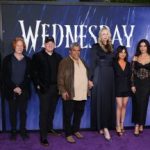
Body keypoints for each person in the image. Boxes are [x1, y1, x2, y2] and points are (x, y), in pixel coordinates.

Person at [31, 36, 62, 146]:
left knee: (51, 110)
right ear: (44, 45)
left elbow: (61, 74)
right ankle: (43, 136)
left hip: (56, 89)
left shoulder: (58, 57)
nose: (50, 45)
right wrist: (38, 86)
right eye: (48, 43)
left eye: (52, 43)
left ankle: (49, 129)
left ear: (54, 45)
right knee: (44, 112)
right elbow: (34, 73)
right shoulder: (37, 56)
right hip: (44, 89)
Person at [58, 42, 91, 143]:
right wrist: (63, 91)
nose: (77, 52)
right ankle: (68, 134)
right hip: (70, 93)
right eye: (74, 50)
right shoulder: (64, 62)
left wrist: (89, 81)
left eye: (78, 50)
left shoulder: (83, 61)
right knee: (68, 114)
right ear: (70, 51)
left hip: (82, 93)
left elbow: (87, 75)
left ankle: (75, 130)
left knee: (78, 113)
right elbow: (60, 78)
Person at [2, 37, 31, 140]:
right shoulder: (7, 59)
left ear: (24, 47)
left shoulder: (28, 60)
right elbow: (4, 77)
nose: (19, 47)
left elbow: (29, 77)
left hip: (24, 91)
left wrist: (20, 87)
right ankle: (13, 131)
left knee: (23, 112)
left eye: (21, 45)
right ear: (14, 46)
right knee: (12, 112)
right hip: (11, 91)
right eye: (18, 45)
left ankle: (23, 131)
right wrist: (14, 87)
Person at [89, 26, 115, 140]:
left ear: (109, 35)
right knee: (101, 101)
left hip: (110, 75)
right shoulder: (95, 47)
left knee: (108, 101)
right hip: (99, 74)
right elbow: (93, 63)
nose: (105, 36)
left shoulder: (112, 47)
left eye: (107, 34)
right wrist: (90, 79)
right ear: (100, 36)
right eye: (103, 34)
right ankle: (104, 127)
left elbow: (114, 63)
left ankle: (103, 125)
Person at [131, 39, 150, 136]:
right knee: (137, 104)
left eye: (144, 46)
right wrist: (132, 85)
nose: (143, 48)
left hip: (147, 84)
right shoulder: (135, 57)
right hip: (137, 84)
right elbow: (132, 72)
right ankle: (137, 125)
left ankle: (141, 123)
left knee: (144, 104)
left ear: (147, 47)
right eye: (141, 46)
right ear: (139, 47)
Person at [114, 46, 131, 136]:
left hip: (127, 88)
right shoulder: (114, 63)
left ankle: (122, 124)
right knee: (119, 105)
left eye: (124, 52)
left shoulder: (128, 64)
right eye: (121, 52)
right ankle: (117, 125)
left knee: (124, 105)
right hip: (118, 87)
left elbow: (130, 77)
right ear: (118, 53)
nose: (123, 54)